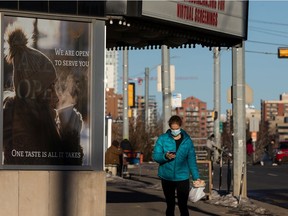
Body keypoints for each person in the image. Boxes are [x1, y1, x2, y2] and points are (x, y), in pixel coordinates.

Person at [3, 23, 84, 165]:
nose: (57, 97)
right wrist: (70, 138)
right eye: (50, 88)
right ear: (35, 92)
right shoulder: (24, 129)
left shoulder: (29, 121)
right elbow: (51, 177)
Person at [152, 115, 202, 216]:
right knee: (170, 205)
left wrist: (196, 177)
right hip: (167, 176)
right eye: (173, 129)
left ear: (180, 127)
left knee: (183, 205)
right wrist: (165, 156)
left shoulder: (187, 141)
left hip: (182, 177)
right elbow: (156, 156)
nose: (175, 131)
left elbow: (191, 160)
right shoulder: (162, 139)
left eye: (177, 128)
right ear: (170, 127)